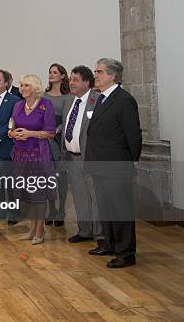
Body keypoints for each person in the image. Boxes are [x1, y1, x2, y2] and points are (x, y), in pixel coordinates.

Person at [85, 58, 141, 268]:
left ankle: (126, 253)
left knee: (120, 210)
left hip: (117, 166)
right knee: (106, 208)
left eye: (99, 72)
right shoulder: (101, 99)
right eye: (95, 71)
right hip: (100, 164)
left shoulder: (124, 100)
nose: (95, 75)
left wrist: (129, 164)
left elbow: (133, 136)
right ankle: (110, 244)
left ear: (112, 75)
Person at [9, 75, 56, 245]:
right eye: (21, 85)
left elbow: (50, 133)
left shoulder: (45, 105)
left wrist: (30, 134)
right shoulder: (18, 106)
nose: (22, 88)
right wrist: (12, 134)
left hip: (38, 155)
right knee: (26, 194)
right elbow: (11, 128)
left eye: (26, 85)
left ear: (35, 88)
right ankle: (31, 227)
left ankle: (40, 230)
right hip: (20, 156)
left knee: (39, 195)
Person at [61, 66, 101, 244]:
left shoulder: (97, 100)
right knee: (79, 196)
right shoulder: (70, 101)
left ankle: (101, 235)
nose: (71, 82)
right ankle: (84, 230)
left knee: (95, 197)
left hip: (90, 158)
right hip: (72, 158)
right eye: (70, 79)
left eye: (75, 79)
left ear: (87, 82)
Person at [0, 69, 21, 224]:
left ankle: (14, 212)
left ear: (7, 83)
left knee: (10, 183)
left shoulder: (15, 100)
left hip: (7, 147)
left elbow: (12, 122)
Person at [43, 63, 70, 227]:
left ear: (62, 76)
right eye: (50, 72)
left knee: (61, 177)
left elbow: (67, 119)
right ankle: (51, 208)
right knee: (48, 177)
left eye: (54, 72)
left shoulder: (68, 96)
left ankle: (61, 210)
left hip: (60, 139)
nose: (51, 74)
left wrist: (56, 131)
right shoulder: (44, 96)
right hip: (46, 138)